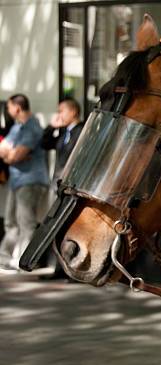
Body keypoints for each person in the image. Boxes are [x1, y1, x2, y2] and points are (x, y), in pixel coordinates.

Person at [0, 94, 49, 270]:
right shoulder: (17, 128)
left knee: (25, 222)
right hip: (17, 180)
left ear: (17, 108)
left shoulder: (32, 127)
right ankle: (5, 259)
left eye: (9, 107)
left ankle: (23, 261)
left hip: (30, 181)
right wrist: (12, 156)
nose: (7, 110)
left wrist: (13, 155)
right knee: (10, 221)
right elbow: (3, 151)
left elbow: (14, 155)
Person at [38, 98, 84, 279]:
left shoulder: (81, 131)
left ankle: (71, 270)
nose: (59, 115)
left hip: (71, 187)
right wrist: (51, 127)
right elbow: (44, 144)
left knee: (69, 227)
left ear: (73, 112)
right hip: (57, 186)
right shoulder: (63, 131)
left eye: (62, 111)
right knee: (56, 227)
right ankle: (59, 269)